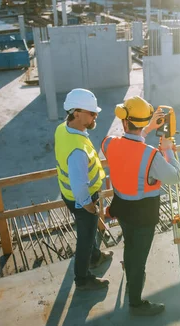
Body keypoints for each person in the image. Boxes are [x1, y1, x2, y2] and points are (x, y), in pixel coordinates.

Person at [101, 96, 180, 316]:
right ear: (144, 121)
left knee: (130, 247)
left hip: (122, 211)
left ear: (125, 122)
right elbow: (174, 177)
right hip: (144, 216)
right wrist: (168, 149)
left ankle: (131, 278)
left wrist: (145, 130)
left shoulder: (109, 143)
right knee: (140, 260)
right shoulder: (151, 155)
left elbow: (128, 144)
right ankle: (135, 304)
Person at [54, 88, 113, 291]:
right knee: (85, 238)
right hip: (81, 199)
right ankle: (82, 279)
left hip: (68, 194)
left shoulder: (63, 128)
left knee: (88, 231)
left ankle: (95, 257)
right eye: (91, 113)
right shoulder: (77, 149)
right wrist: (88, 205)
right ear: (76, 113)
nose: (95, 116)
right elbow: (79, 184)